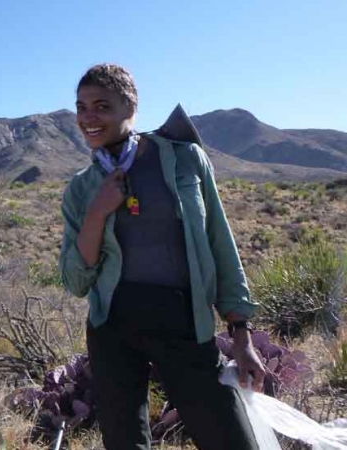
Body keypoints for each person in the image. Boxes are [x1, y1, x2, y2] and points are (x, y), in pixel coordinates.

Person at [59, 63, 267, 450]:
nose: (88, 117)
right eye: (82, 107)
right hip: (112, 327)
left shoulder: (185, 159)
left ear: (130, 108)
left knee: (230, 438)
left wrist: (242, 334)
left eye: (101, 106)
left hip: (183, 323)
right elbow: (76, 281)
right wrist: (97, 212)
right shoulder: (82, 188)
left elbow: (220, 243)